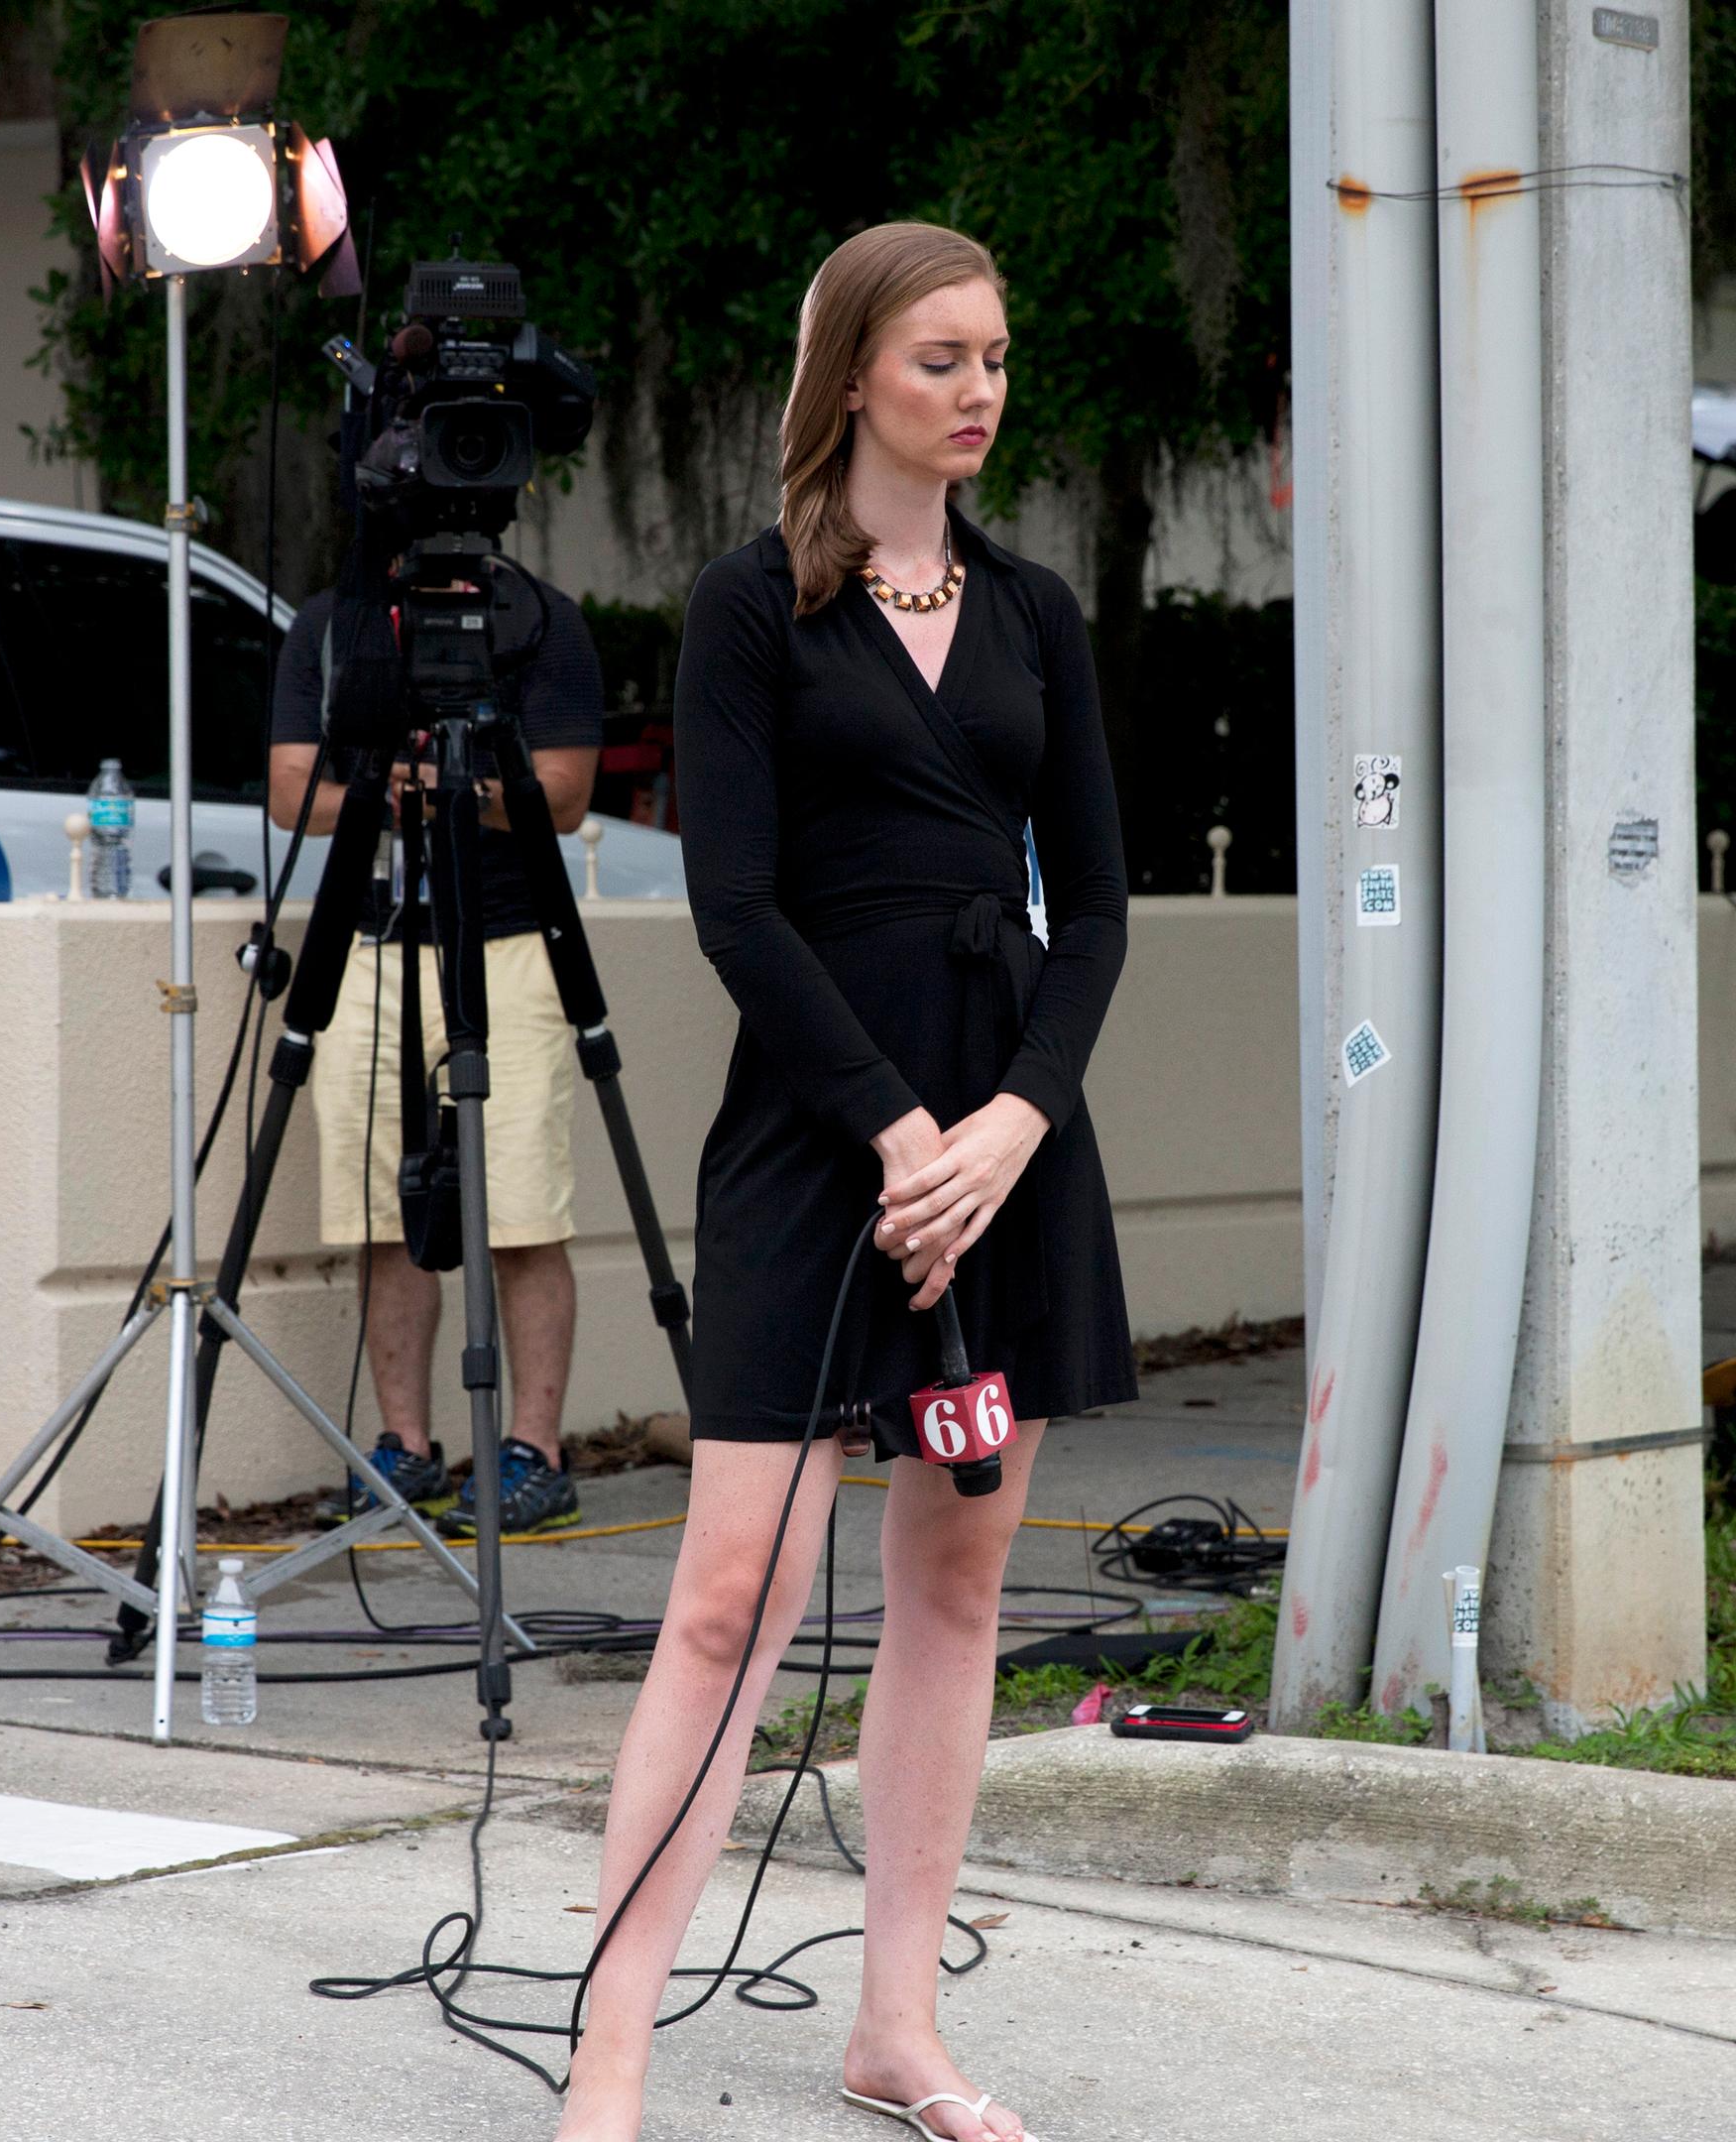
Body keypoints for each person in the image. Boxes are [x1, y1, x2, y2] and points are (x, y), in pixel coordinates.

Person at [559, 224, 1133, 2142]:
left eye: (994, 358)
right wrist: (898, 1133)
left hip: (1005, 1146)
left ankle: (898, 2027)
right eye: (939, 359)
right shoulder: (747, 606)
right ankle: (613, 2047)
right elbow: (733, 904)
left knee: (955, 1590)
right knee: (730, 1599)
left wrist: (1013, 1125)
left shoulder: (1038, 611)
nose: (977, 390)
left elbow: (1103, 909)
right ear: (851, 378)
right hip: (824, 1144)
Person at [267, 522, 606, 1539]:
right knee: (385, 1212)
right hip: (371, 946)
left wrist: (444, 786)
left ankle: (533, 1450)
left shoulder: (537, 622)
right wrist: (414, 787)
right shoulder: (334, 628)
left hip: (508, 944)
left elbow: (569, 797)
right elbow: (292, 793)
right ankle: (404, 1444)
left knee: (520, 1209)